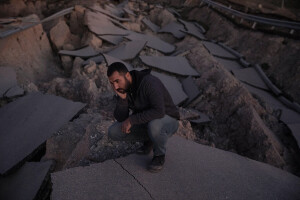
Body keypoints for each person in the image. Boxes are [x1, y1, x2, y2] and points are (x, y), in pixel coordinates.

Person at [107, 62, 180, 173]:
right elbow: (121, 118)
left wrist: (132, 120)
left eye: (117, 81)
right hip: (148, 121)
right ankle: (149, 140)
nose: (115, 87)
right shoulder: (124, 89)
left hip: (168, 119)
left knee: (154, 125)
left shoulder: (149, 83)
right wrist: (123, 100)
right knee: (113, 131)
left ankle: (159, 156)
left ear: (127, 75)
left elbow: (159, 111)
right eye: (112, 83)